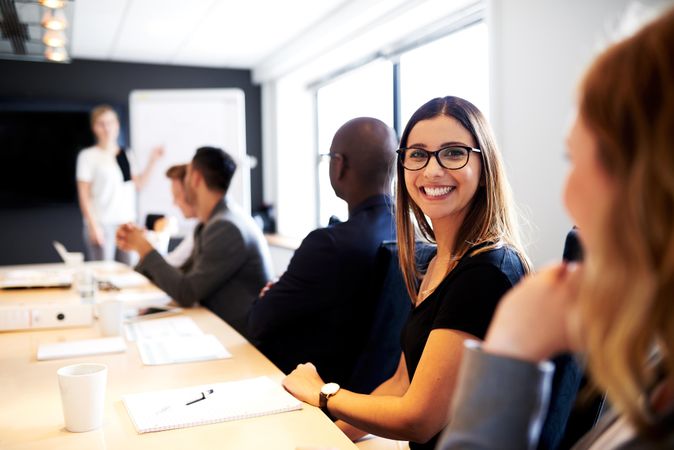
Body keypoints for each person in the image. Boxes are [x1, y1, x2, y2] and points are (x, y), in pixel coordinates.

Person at [438, 7, 674, 450]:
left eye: (596, 161)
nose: (568, 197)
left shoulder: (489, 267)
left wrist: (511, 351)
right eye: (416, 153)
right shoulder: (657, 369)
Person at [282, 97, 531, 450]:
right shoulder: (439, 260)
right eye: (417, 154)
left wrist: (323, 393)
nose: (432, 171)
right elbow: (402, 383)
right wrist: (331, 435)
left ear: (484, 163)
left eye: (454, 152)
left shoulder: (485, 271)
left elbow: (419, 420)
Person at [247, 117, 398, 390]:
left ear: (339, 165)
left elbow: (258, 323)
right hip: (374, 396)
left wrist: (270, 294)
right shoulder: (410, 234)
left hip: (311, 392)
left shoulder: (328, 244)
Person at [116, 146, 274, 336]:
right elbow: (182, 276)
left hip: (238, 340)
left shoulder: (226, 227)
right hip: (219, 328)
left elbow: (186, 293)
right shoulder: (213, 222)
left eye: (187, 176)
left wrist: (144, 247)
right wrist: (141, 246)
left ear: (197, 179)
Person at [76, 104, 163, 263]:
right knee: (104, 272)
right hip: (102, 224)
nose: (107, 128)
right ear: (94, 127)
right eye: (101, 124)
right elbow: (84, 195)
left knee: (130, 271)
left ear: (117, 125)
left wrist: (153, 161)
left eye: (110, 123)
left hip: (127, 224)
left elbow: (137, 185)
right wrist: (93, 226)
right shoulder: (88, 156)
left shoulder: (124, 155)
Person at [163, 164, 196, 267]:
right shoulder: (199, 227)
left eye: (177, 195)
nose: (174, 203)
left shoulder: (211, 229)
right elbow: (173, 260)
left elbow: (170, 266)